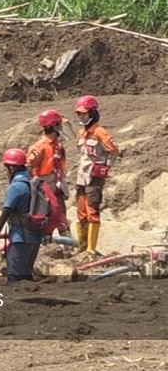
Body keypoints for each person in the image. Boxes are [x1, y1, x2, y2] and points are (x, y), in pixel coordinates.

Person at [74, 95, 119, 255]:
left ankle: (90, 249)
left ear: (92, 113)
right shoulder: (81, 133)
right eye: (79, 114)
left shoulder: (100, 132)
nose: (81, 116)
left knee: (92, 210)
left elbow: (113, 151)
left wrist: (105, 167)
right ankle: (82, 247)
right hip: (82, 176)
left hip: (94, 177)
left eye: (84, 113)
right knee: (81, 211)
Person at [0, 149, 41, 283]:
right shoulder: (31, 182)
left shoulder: (17, 187)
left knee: (15, 277)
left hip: (21, 238)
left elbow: (5, 212)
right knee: (26, 275)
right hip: (35, 237)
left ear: (11, 168)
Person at [26, 110, 69, 235]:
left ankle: (68, 247)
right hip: (44, 189)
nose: (61, 127)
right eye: (59, 125)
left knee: (62, 219)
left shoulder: (58, 146)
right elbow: (29, 167)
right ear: (54, 126)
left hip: (57, 187)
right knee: (45, 219)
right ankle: (47, 246)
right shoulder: (39, 147)